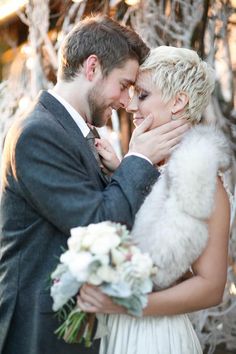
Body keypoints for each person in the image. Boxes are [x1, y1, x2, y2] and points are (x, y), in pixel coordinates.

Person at [0, 16, 189, 354]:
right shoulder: (39, 134)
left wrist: (122, 169)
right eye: (124, 84)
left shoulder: (76, 131)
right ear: (92, 68)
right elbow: (96, 222)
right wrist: (139, 161)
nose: (125, 101)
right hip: (39, 332)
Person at [76, 46, 232, 354]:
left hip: (154, 338)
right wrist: (125, 170)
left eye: (143, 95)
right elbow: (151, 230)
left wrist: (124, 304)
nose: (131, 105)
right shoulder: (157, 170)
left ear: (178, 102)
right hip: (115, 332)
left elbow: (211, 288)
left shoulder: (201, 179)